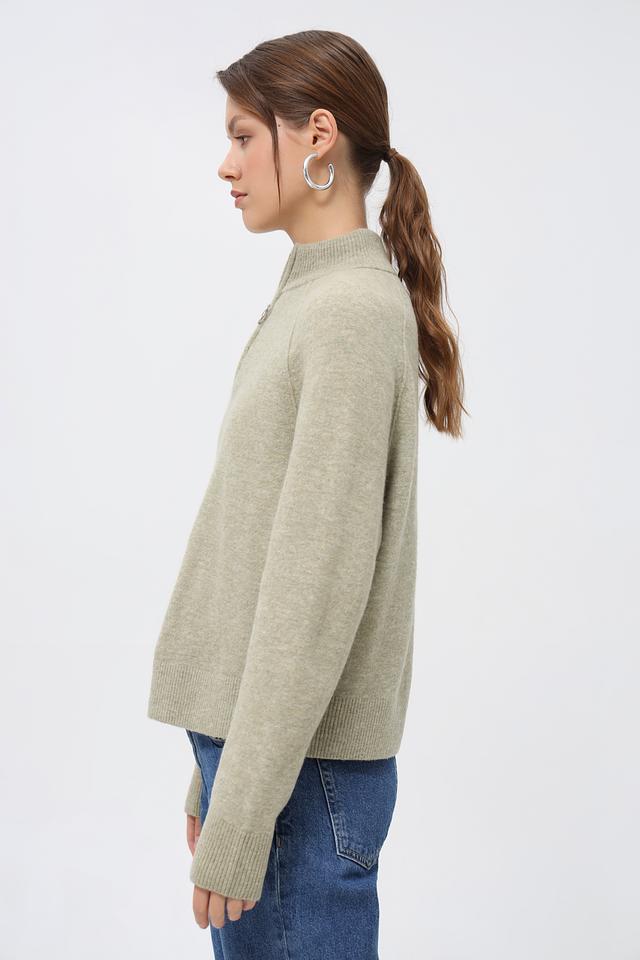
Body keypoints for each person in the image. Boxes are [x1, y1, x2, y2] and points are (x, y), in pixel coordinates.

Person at [146, 28, 466, 960]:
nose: (227, 164)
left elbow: (315, 586)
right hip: (276, 763)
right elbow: (257, 547)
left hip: (299, 778)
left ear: (317, 135)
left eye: (244, 136)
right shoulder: (316, 298)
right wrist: (218, 773)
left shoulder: (349, 313)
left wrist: (247, 801)